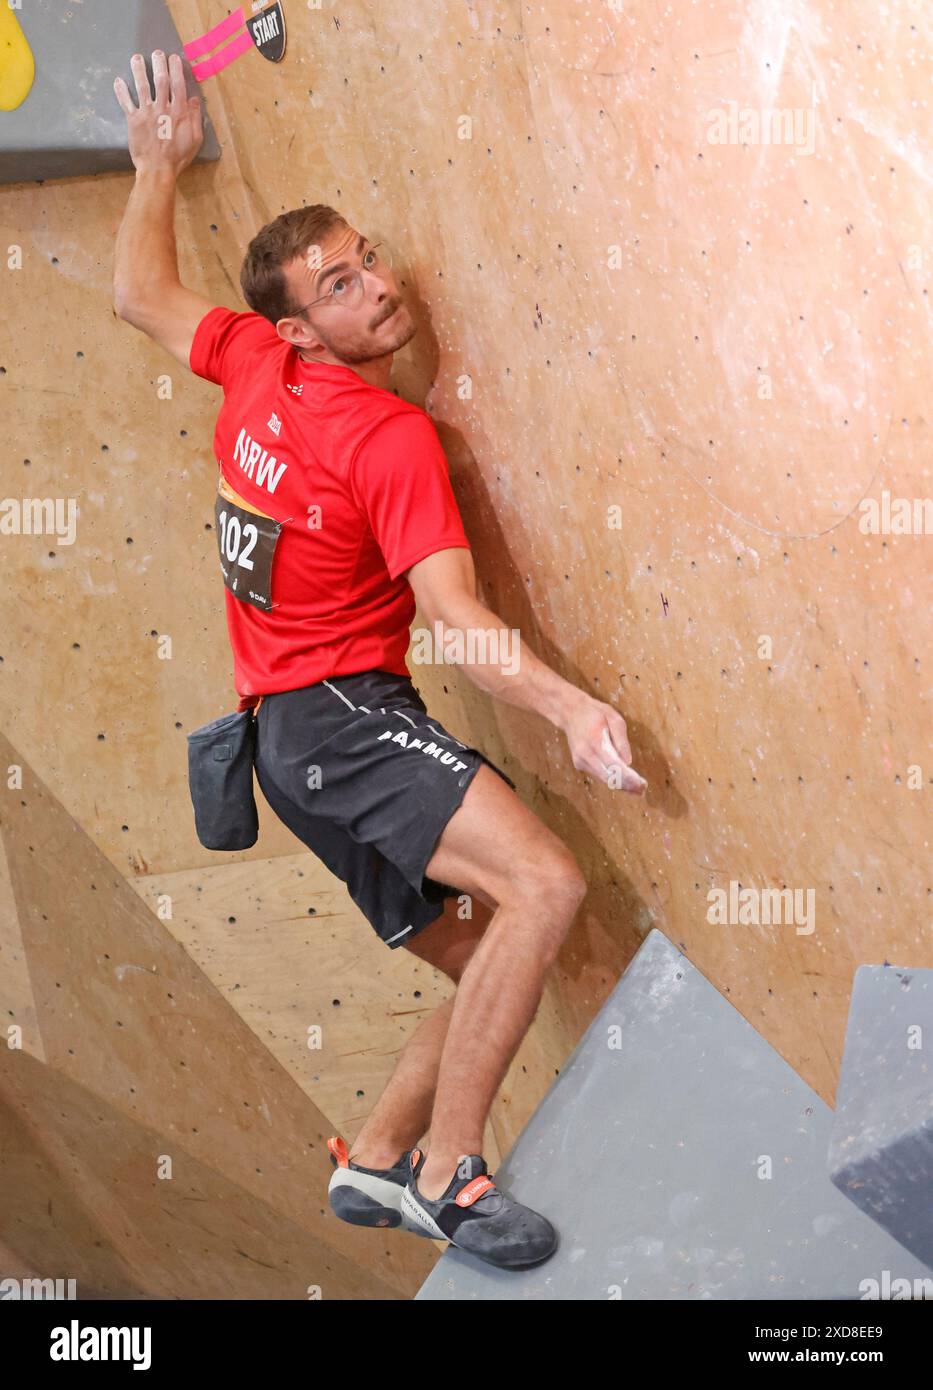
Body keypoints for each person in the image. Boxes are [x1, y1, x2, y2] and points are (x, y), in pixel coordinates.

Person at [113, 50, 646, 1273]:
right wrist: (567, 706)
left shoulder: (254, 359)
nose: (380, 288)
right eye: (342, 284)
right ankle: (456, 1177)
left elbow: (143, 292)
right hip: (345, 723)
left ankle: (377, 1151)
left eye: (368, 259)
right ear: (301, 324)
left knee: (490, 962)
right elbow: (455, 616)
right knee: (549, 889)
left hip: (292, 755)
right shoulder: (389, 436)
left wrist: (154, 164)